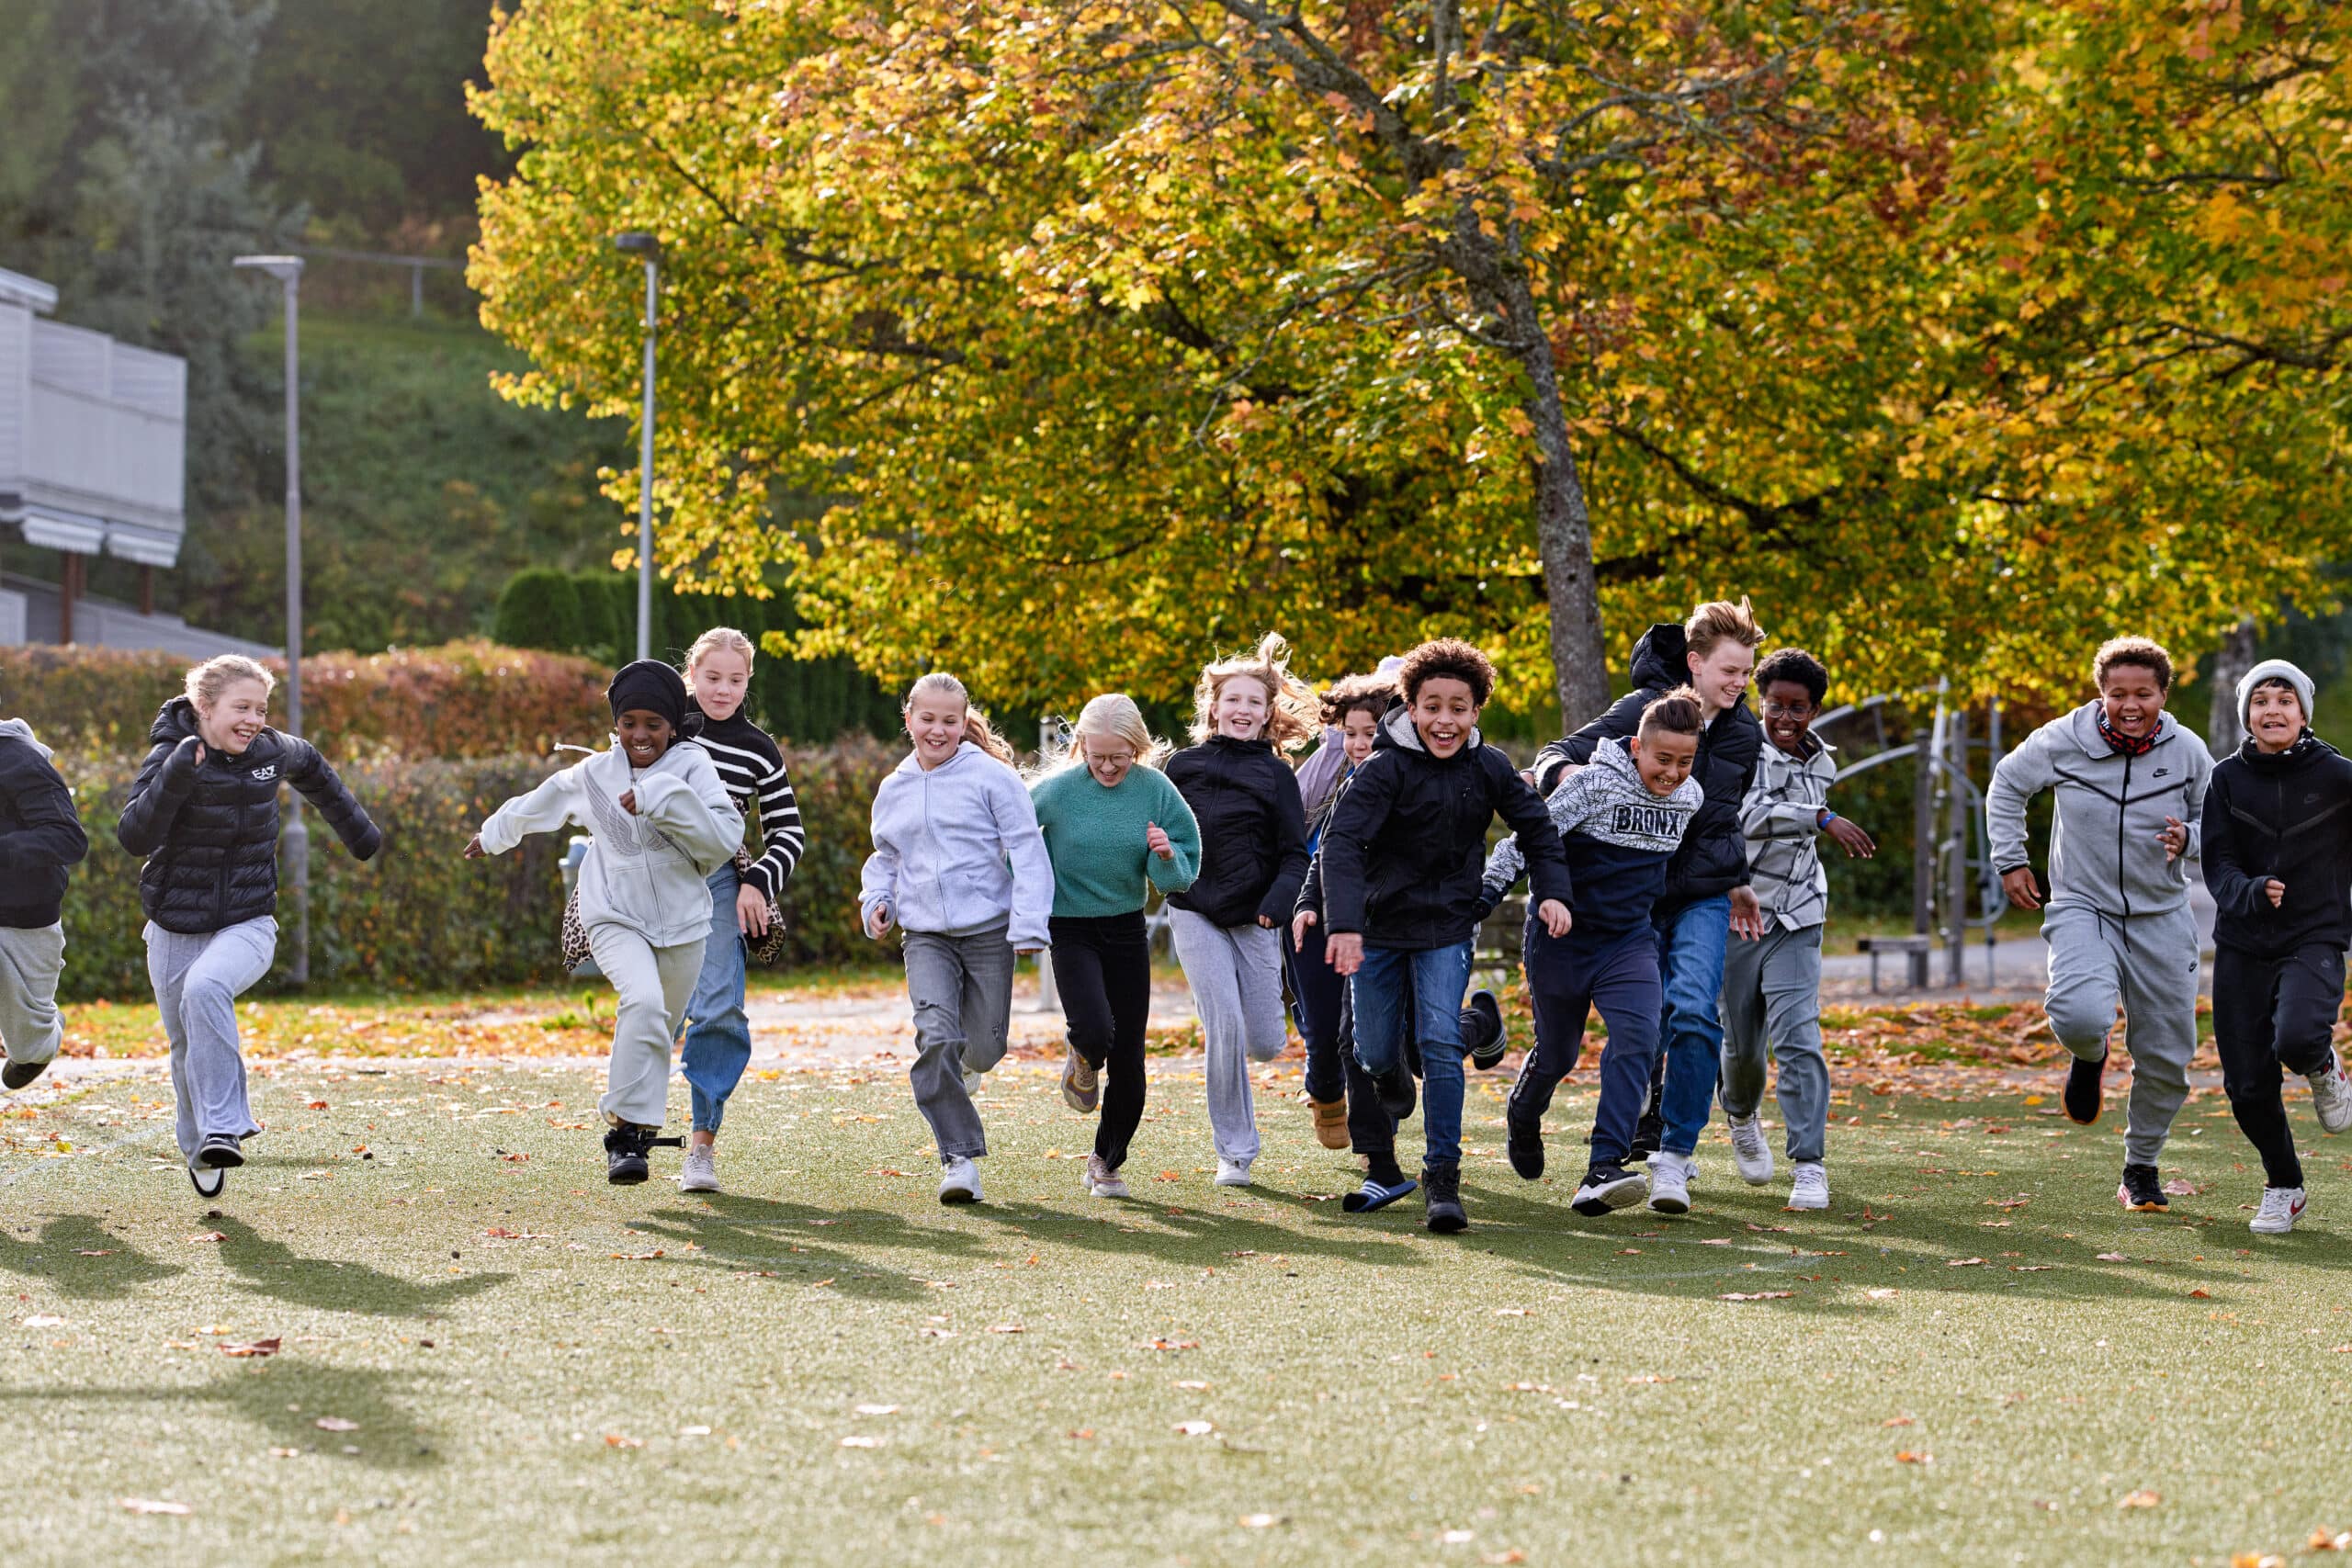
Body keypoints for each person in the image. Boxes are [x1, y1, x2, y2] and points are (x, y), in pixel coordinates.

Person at [1320, 638, 1571, 1233]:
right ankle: (1398, 1070)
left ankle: (1442, 1177)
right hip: (1379, 930)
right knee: (1375, 1050)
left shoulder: (1490, 768)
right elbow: (1341, 844)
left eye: (1458, 707)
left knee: (1436, 1044)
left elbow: (1537, 827)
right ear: (1409, 707)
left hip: (1446, 927)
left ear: (1476, 710)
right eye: (1432, 706)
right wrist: (1346, 926)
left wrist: (1555, 890)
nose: (1445, 720)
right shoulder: (1383, 769)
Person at [468, 660, 741, 1187]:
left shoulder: (693, 766)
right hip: (612, 913)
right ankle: (623, 1138)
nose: (640, 735)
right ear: (616, 724)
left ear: (674, 727)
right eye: (629, 722)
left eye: (653, 725)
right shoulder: (593, 775)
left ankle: (633, 1131)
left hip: (685, 922)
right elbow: (540, 804)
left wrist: (661, 797)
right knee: (641, 1001)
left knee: (660, 1026)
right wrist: (494, 834)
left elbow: (721, 840)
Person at [1531, 601, 1766, 1211]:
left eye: (1748, 672)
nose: (1741, 683)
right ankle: (1629, 1125)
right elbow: (1556, 752)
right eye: (1731, 671)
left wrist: (1736, 877)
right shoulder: (1642, 713)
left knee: (1694, 1011)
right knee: (1648, 1020)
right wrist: (1564, 779)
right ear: (1695, 662)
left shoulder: (1745, 733)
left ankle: (1673, 1157)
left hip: (1701, 895)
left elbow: (1720, 820)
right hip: (1633, 895)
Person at [119, 655, 381, 1198]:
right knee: (184, 1043)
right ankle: (201, 1144)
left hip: (248, 921)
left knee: (207, 986)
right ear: (205, 708)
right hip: (173, 927)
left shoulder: (269, 751)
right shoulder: (170, 756)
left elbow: (315, 770)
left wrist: (361, 836)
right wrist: (174, 776)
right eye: (242, 708)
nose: (254, 719)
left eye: (261, 708)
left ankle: (224, 1125)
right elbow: (134, 836)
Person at [1987, 636, 2210, 1213]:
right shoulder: (2063, 739)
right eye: (2117, 694)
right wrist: (2010, 860)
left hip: (2162, 914)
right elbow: (2007, 784)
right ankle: (2090, 1055)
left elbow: (2223, 823)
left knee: (2166, 1056)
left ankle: (2141, 1167)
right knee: (2080, 1015)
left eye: (2144, 694)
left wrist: (2192, 839)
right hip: (2083, 905)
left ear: (2163, 693)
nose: (2130, 705)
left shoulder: (2187, 750)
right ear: (2100, 693)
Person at [1485, 689, 1703, 1215]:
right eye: (1663, 759)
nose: (1673, 772)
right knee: (1558, 1054)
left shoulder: (1690, 798)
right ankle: (1523, 1111)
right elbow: (1526, 843)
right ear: (1635, 747)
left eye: (1685, 761)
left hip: (1628, 944)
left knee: (1639, 1037)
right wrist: (1485, 895)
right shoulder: (1593, 785)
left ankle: (1604, 1166)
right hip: (1562, 939)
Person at [858, 672, 1053, 1205]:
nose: (938, 730)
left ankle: (964, 1072)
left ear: (963, 722)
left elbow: (1028, 851)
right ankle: (958, 1159)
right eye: (927, 719)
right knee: (936, 1037)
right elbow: (885, 859)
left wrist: (1030, 924)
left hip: (989, 931)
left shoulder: (991, 778)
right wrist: (878, 902)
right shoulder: (894, 787)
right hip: (925, 936)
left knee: (985, 1049)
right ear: (909, 720)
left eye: (949, 721)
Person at [1291, 673, 1507, 1155]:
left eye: (1369, 733)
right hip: (1365, 924)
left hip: (1428, 924)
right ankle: (1378, 1135)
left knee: (1427, 1044)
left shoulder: (1414, 770)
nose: (1360, 743)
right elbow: (1329, 849)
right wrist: (1308, 902)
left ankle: (1415, 1154)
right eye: (1350, 734)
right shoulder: (1347, 782)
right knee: (1370, 1042)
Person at [1718, 648, 1877, 1213]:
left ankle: (1809, 1164)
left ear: (1814, 710)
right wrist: (1820, 818)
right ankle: (1739, 1112)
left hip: (1800, 912)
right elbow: (1746, 818)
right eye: (1775, 706)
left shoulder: (1822, 761)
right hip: (1739, 913)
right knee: (1742, 1050)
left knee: (1798, 1038)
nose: (1785, 719)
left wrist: (1819, 816)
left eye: (1799, 709)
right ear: (1759, 703)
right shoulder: (1738, 750)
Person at [2199, 659, 2352, 1235]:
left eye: (2284, 700)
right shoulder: (2226, 778)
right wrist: (2249, 892)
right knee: (2245, 1085)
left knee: (2298, 1037)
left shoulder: (2339, 776)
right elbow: (2216, 860)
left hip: (2314, 934)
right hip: (2242, 941)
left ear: (2303, 713)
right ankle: (2284, 1185)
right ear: (2247, 716)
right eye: (2260, 701)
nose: (2272, 710)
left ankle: (2325, 1064)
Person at [1031, 694, 1201, 1200]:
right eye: (1096, 756)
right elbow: (1012, 838)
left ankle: (1106, 1160)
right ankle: (1083, 1053)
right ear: (1081, 746)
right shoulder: (1057, 791)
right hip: (1070, 927)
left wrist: (1166, 855)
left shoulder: (1156, 790)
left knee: (1128, 1058)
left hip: (1126, 929)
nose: (1107, 767)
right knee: (1094, 1029)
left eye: (1119, 757)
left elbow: (1180, 873)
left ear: (1138, 749)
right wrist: (1025, 893)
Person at [1164, 635, 1315, 1186]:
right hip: (1194, 908)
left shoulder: (1277, 774)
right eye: (1233, 700)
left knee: (1265, 1042)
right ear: (1213, 706)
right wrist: (1162, 862)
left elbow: (1296, 854)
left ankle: (1286, 988)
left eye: (1254, 702)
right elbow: (1157, 834)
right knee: (1222, 1026)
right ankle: (1235, 1152)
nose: (1242, 710)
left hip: (1256, 916)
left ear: (1268, 712)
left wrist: (1276, 906)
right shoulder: (1181, 766)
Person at [673, 627, 807, 1193]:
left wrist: (756, 883)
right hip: (651, 878)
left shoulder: (759, 749)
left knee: (721, 1009)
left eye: (735, 679)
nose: (723, 689)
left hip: (721, 882)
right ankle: (628, 1128)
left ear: (748, 681)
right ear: (692, 674)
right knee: (653, 1009)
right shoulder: (663, 726)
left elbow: (788, 833)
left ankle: (701, 1146)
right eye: (712, 677)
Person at [0, 715, 88, 1092]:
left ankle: (40, 1043)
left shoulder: (17, 758)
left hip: (22, 916)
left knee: (30, 1043)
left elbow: (68, 838)